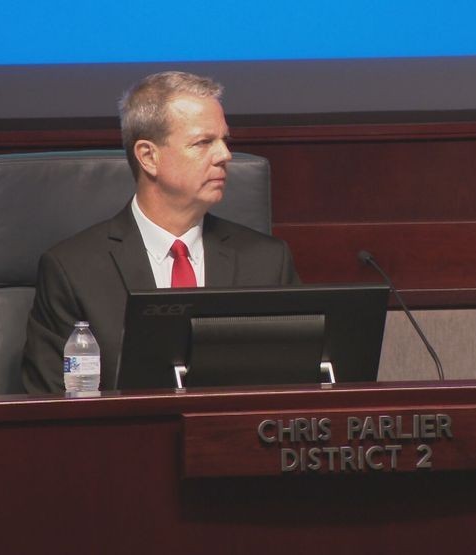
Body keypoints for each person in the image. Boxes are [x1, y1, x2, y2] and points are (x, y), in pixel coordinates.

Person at [21, 71, 299, 394]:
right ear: (148, 157)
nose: (225, 155)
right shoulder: (72, 270)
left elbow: (296, 389)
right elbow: (49, 404)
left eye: (224, 140)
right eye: (203, 142)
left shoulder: (267, 262)